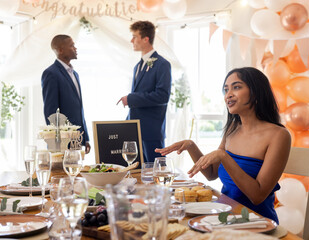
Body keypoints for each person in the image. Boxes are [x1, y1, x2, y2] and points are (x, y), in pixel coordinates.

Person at [156, 67, 291, 224]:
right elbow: (212, 174)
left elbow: (257, 196)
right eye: (226, 89)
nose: (228, 94)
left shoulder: (279, 135)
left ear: (256, 92)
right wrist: (191, 146)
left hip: (256, 223)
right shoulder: (232, 130)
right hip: (223, 216)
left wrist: (224, 156)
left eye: (237, 87)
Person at [118, 21, 172, 162]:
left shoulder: (162, 64)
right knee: (138, 175)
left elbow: (162, 96)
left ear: (145, 39)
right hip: (134, 130)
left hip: (151, 131)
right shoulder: (137, 66)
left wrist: (131, 99)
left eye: (135, 36)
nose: (132, 40)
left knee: (157, 174)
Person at [41, 34, 90, 153]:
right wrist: (57, 143)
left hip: (77, 140)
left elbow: (79, 109)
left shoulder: (75, 74)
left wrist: (85, 137)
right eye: (72, 45)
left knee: (75, 171)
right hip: (61, 143)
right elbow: (51, 111)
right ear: (60, 50)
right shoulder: (51, 73)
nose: (75, 48)